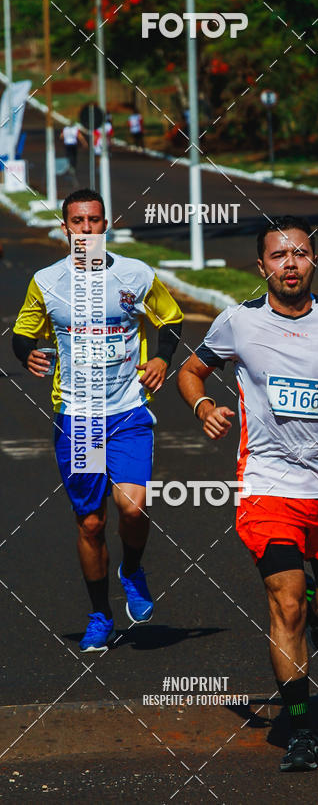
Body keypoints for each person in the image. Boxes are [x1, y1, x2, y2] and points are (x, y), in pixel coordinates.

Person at [177, 215, 318, 772]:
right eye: (279, 255)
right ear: (262, 266)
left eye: (299, 253)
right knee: (286, 601)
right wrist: (203, 405)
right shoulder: (238, 322)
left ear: (313, 260)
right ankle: (300, 725)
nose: (290, 264)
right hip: (268, 485)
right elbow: (191, 371)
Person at [12, 189, 184, 653]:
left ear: (106, 225)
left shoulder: (136, 274)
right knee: (90, 523)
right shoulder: (47, 282)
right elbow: (22, 334)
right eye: (77, 221)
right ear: (65, 228)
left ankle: (132, 569)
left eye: (94, 220)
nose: (86, 229)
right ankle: (100, 615)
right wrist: (28, 354)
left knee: (133, 507)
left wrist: (163, 359)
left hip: (127, 410)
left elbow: (170, 320)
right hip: (78, 417)